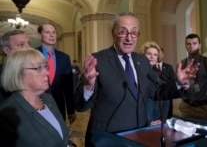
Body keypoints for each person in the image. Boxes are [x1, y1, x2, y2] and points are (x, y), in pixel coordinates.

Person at [74, 12, 199, 147]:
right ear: (113, 33)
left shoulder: (142, 61)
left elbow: (156, 91)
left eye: (134, 33)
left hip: (138, 138)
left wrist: (178, 82)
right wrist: (88, 86)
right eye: (123, 32)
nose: (129, 38)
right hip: (107, 139)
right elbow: (80, 105)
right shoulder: (98, 60)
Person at [0, 49, 69, 147]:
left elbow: (62, 138)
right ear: (18, 73)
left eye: (46, 67)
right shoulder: (6, 115)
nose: (47, 73)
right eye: (39, 68)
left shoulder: (48, 99)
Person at [36, 23, 76, 124]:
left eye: (54, 32)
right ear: (39, 35)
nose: (52, 35)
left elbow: (68, 87)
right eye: (47, 32)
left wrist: (71, 110)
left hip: (59, 105)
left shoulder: (64, 58)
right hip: (37, 103)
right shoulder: (32, 54)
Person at [179, 33, 207, 121]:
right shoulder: (181, 64)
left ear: (200, 45)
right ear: (185, 46)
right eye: (188, 44)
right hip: (187, 107)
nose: (191, 46)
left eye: (194, 43)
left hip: (205, 107)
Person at [140, 41, 171, 125]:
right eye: (149, 54)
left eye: (155, 55)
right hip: (141, 121)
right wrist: (148, 122)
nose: (152, 57)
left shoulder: (160, 76)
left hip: (157, 120)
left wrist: (162, 119)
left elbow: (166, 99)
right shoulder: (136, 74)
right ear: (143, 55)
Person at [0, 29, 31, 103]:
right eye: (21, 44)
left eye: (29, 43)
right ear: (7, 50)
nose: (29, 48)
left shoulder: (40, 72)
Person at [155, 46, 175, 119]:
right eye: (158, 53)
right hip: (156, 98)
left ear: (163, 54)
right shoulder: (150, 67)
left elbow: (173, 81)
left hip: (167, 97)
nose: (159, 55)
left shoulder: (169, 67)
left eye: (161, 53)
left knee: (168, 117)